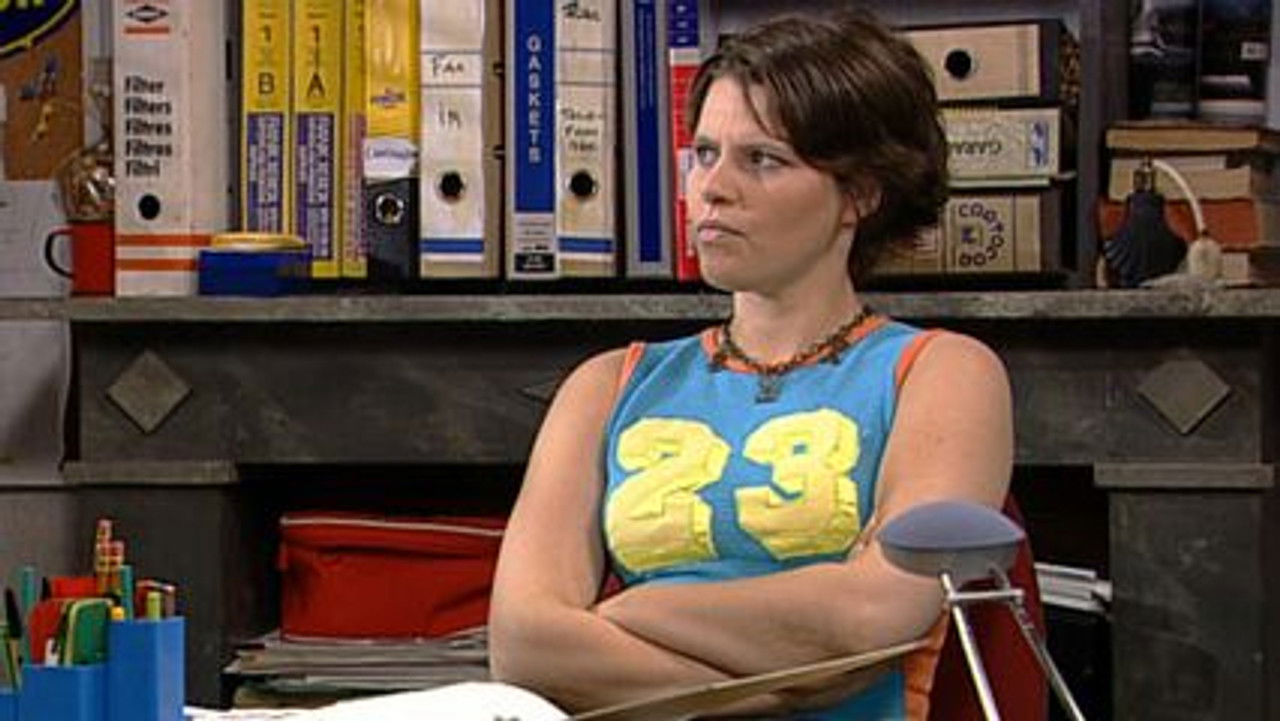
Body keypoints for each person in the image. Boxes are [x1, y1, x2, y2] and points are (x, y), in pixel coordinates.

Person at [488, 8, 1013, 719]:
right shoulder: (607, 385)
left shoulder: (941, 372)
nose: (712, 187)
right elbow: (525, 644)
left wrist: (636, 609)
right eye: (705, 153)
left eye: (762, 159)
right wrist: (779, 688)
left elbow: (874, 612)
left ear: (860, 193)